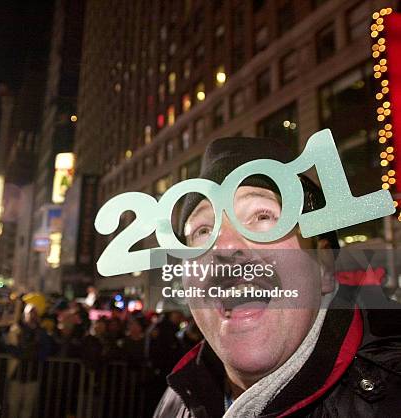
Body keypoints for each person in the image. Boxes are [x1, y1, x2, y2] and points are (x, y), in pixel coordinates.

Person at [155, 136, 401, 417]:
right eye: (202, 231)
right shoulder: (176, 401)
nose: (223, 245)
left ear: (323, 268)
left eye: (262, 217)